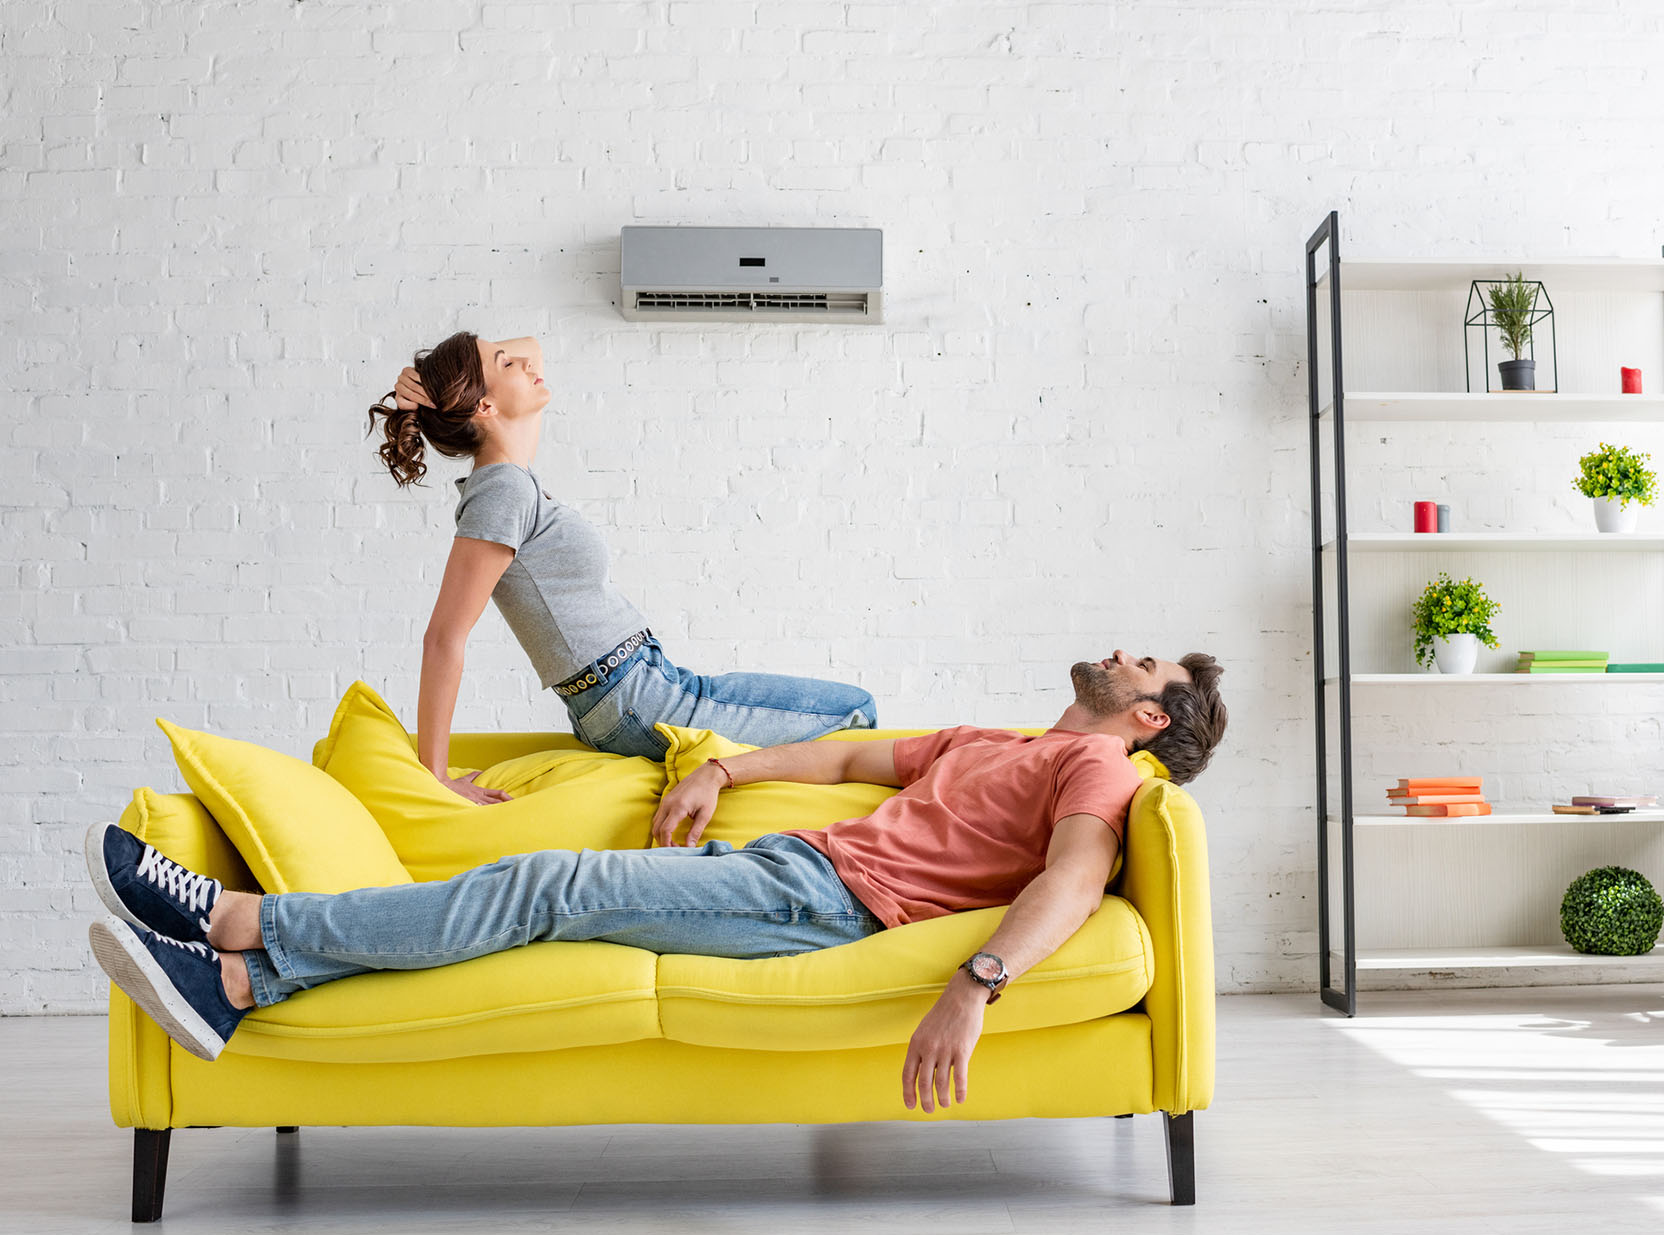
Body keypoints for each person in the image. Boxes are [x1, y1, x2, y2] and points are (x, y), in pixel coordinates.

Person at [87, 649, 1227, 1111]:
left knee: (545, 886)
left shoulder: (1094, 764)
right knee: (539, 908)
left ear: (1147, 715)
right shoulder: (1002, 740)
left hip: (817, 905)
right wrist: (725, 770)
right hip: (780, 865)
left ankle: (241, 919)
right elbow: (842, 755)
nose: (1124, 647)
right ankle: (238, 985)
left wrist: (976, 983)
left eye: (1149, 663)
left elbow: (1076, 880)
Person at [366, 331, 876, 805]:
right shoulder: (501, 490)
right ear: (486, 405)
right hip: (633, 698)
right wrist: (435, 773)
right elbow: (443, 637)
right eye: (506, 363)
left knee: (844, 714)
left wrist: (437, 380)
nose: (525, 362)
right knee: (855, 712)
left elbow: (532, 352)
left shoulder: (512, 475)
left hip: (648, 686)